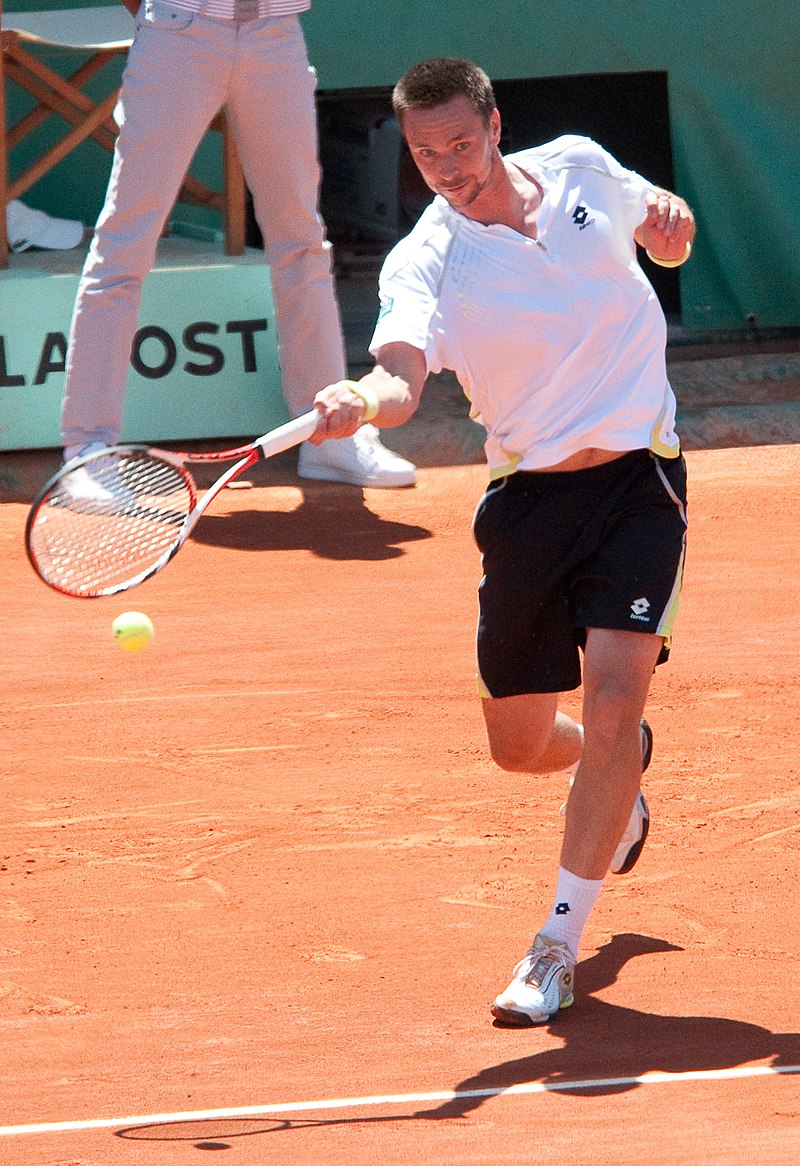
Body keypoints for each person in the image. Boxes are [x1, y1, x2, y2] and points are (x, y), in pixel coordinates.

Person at [308, 57, 695, 1024]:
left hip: (642, 478)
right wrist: (362, 401)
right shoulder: (425, 259)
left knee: (611, 700)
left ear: (493, 122)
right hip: (528, 503)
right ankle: (623, 769)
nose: (445, 166)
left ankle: (556, 944)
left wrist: (672, 227)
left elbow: (666, 232)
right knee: (519, 746)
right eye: (425, 153)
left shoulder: (579, 167)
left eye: (460, 143)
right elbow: (400, 379)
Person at [59, 0, 415, 491]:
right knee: (125, 241)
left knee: (302, 240)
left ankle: (328, 438)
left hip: (277, 32)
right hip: (177, 30)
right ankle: (87, 450)